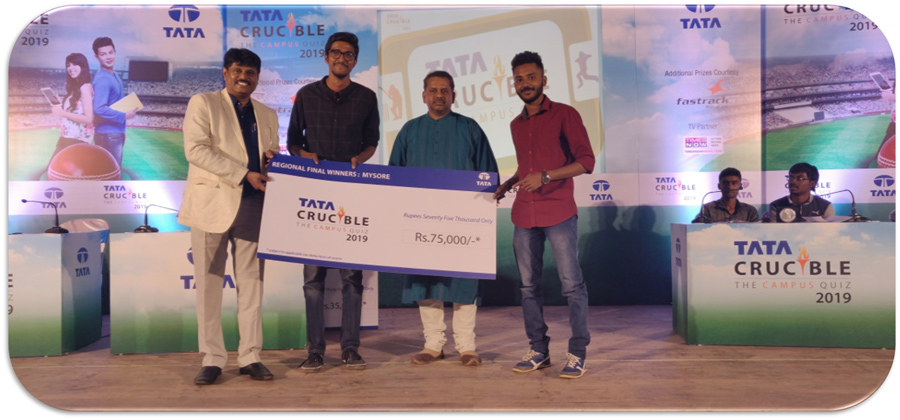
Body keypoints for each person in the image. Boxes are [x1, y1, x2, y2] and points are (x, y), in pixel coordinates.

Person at [179, 48, 280, 385]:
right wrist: (243, 174)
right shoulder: (203, 103)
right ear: (225, 72)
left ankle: (250, 356)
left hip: (253, 205)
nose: (243, 77)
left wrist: (272, 160)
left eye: (250, 73)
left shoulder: (267, 113)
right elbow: (196, 150)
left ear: (257, 78)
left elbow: (271, 154)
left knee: (252, 284)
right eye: (237, 70)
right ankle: (212, 358)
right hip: (211, 204)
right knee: (208, 285)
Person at [492, 51, 594, 379]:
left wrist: (546, 177)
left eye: (531, 77)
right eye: (519, 79)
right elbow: (527, 167)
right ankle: (539, 349)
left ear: (544, 80)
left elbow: (586, 162)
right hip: (524, 214)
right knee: (528, 287)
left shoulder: (565, 114)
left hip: (559, 211)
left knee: (571, 285)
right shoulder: (515, 124)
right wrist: (509, 183)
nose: (525, 84)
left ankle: (577, 353)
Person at [389, 71, 498, 367]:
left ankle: (466, 346)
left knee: (464, 281)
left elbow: (488, 174)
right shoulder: (409, 130)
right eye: (433, 90)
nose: (439, 95)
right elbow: (394, 175)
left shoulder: (470, 128)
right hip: (420, 220)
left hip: (463, 222)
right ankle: (433, 345)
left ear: (453, 95)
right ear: (424, 95)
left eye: (445, 91)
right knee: (425, 281)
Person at [287, 31, 379, 372]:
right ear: (326, 57)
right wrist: (304, 155)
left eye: (349, 54)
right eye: (337, 52)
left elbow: (372, 141)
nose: (342, 58)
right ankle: (315, 351)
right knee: (313, 279)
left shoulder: (367, 97)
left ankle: (350, 349)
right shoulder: (306, 95)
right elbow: (292, 142)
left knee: (352, 278)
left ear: (355, 60)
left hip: (352, 195)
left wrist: (360, 159)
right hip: (314, 196)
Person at [91, 37, 137, 171]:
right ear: (96, 57)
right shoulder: (103, 79)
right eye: (103, 54)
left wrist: (121, 129)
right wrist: (124, 116)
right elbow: (98, 108)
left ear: (115, 52)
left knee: (111, 172)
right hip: (108, 134)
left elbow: (114, 102)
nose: (108, 57)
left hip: (115, 132)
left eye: (110, 52)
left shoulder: (114, 75)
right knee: (110, 174)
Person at [48, 53, 94, 162]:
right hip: (68, 138)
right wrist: (61, 104)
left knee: (53, 170)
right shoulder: (76, 88)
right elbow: (77, 110)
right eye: (68, 65)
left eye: (75, 64)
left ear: (83, 66)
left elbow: (88, 119)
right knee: (53, 170)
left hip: (76, 140)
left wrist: (62, 113)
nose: (70, 68)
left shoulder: (85, 87)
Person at [767, 162, 834, 222]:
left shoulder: (824, 206)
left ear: (812, 183)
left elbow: (831, 229)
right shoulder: (776, 205)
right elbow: (773, 230)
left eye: (800, 178)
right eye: (791, 177)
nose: (793, 181)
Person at [692, 167, 759, 223]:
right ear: (719, 186)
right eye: (725, 183)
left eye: (734, 183)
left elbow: (756, 232)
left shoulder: (750, 211)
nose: (730, 187)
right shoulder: (707, 209)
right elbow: (699, 230)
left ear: (740, 185)